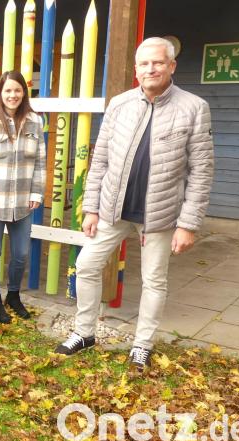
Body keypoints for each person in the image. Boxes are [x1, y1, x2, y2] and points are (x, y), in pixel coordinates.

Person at [54, 37, 214, 371]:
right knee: (86, 265)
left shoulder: (193, 107)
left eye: (158, 62)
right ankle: (84, 333)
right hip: (113, 207)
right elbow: (100, 160)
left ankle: (142, 345)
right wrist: (91, 208)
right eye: (144, 63)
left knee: (154, 280)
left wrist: (188, 224)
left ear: (171, 66)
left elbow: (201, 170)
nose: (150, 69)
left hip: (160, 213)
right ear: (136, 69)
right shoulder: (120, 104)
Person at [0, 71, 46, 324]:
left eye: (17, 90)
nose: (12, 95)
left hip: (23, 201)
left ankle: (13, 295)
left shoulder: (35, 121)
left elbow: (40, 161)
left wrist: (36, 192)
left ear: (24, 92)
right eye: (8, 91)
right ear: (0, 93)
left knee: (21, 253)